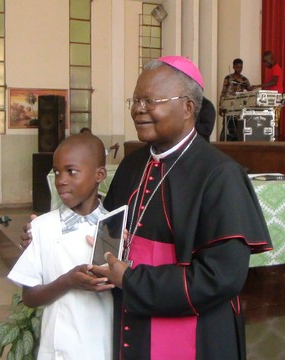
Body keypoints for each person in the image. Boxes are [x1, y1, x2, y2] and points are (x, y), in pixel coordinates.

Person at [88, 56, 272, 360]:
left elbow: (222, 277)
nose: (138, 109)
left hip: (195, 332)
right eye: (135, 100)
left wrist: (132, 280)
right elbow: (107, 232)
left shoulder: (220, 174)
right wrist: (50, 236)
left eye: (151, 100)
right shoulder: (134, 163)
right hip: (131, 319)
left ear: (187, 107)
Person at [8, 133, 115, 360]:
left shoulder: (114, 228)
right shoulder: (41, 227)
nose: (60, 180)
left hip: (101, 347)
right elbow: (29, 297)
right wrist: (67, 282)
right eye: (56, 172)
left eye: (71, 171)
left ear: (100, 175)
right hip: (56, 350)